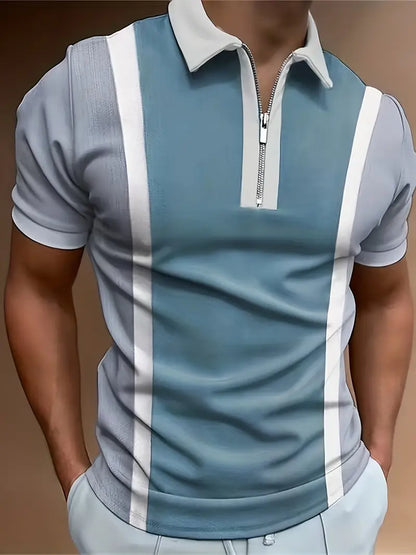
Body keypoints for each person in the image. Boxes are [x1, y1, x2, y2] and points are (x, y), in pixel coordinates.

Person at [4, 0, 415, 553]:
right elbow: (36, 286)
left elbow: (387, 298)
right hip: (139, 526)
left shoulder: (377, 124)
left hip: (330, 519)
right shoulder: (89, 88)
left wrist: (375, 471)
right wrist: (76, 481)